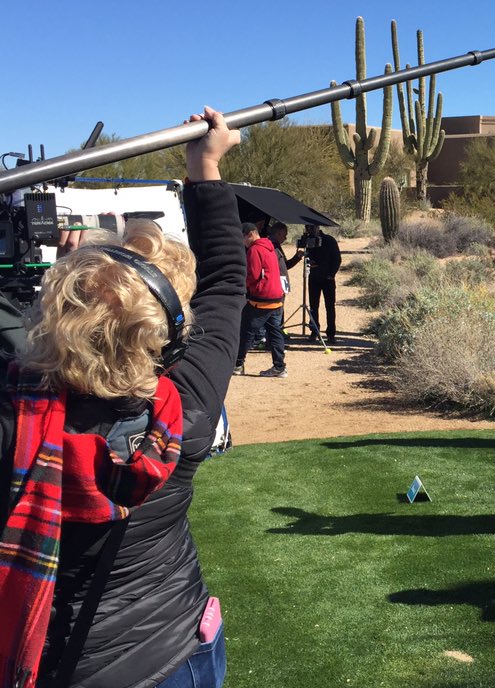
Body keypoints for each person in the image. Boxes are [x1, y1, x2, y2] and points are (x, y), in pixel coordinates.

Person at [0, 106, 244, 687]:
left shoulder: (17, 416)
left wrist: (75, 282)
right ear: (170, 334)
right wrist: (204, 166)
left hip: (54, 665)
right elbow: (227, 278)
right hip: (175, 650)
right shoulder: (188, 405)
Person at [234, 223, 287, 378]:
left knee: (246, 331)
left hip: (262, 298)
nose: (243, 242)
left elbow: (253, 275)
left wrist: (245, 289)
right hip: (277, 297)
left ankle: (237, 364)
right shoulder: (270, 247)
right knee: (275, 332)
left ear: (250, 234)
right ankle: (280, 367)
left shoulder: (255, 250)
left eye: (243, 238)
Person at [301, 224, 340, 344]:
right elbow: (308, 257)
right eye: (307, 228)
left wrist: (331, 274)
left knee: (330, 307)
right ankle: (314, 331)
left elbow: (337, 259)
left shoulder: (329, 240)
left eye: (312, 228)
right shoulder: (309, 241)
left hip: (327, 279)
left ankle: (331, 334)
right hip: (314, 278)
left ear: (317, 228)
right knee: (313, 306)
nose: (310, 231)